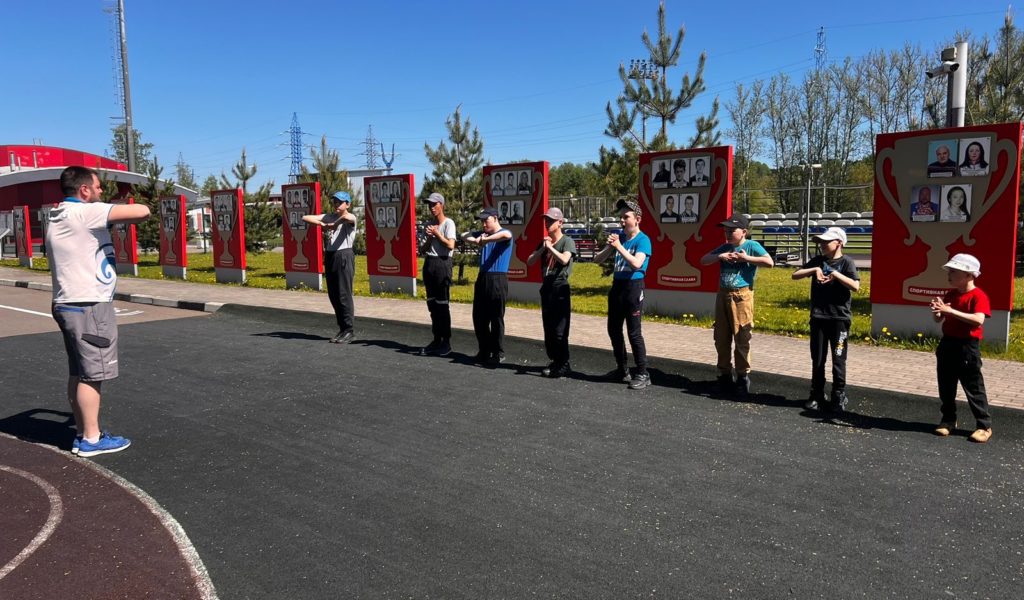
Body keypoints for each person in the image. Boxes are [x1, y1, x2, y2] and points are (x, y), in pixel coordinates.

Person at [47, 166, 151, 457]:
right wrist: (112, 206)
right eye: (98, 187)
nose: (101, 191)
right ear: (84, 190)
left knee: (79, 372)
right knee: (93, 375)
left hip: (68, 301)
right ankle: (92, 440)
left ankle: (83, 431)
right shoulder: (84, 213)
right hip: (88, 305)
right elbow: (142, 212)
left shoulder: (60, 214)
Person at [700, 213, 774, 396]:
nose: (728, 233)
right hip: (723, 295)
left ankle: (742, 377)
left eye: (732, 230)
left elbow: (769, 262)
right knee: (721, 338)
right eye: (726, 230)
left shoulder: (751, 246)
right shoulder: (724, 247)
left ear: (744, 232)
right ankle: (724, 375)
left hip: (742, 296)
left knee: (741, 337)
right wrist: (720, 256)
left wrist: (745, 259)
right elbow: (703, 260)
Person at [791, 227, 860, 413]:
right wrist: (814, 269)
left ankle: (839, 394)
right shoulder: (818, 261)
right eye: (820, 242)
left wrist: (835, 275)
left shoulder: (847, 263)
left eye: (826, 241)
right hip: (818, 318)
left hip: (839, 319)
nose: (822, 245)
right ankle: (817, 394)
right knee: (818, 359)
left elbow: (855, 286)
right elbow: (794, 275)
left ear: (839, 243)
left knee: (838, 358)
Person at [929, 253, 993, 443]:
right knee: (946, 385)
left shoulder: (978, 295)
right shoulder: (950, 294)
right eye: (949, 271)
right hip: (947, 343)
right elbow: (940, 319)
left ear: (969, 275)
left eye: (954, 272)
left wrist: (950, 311)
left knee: (973, 387)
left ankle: (983, 425)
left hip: (967, 347)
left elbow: (978, 319)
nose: (949, 275)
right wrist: (939, 312)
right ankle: (948, 419)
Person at [594, 199, 652, 390]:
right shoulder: (620, 238)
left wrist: (619, 247)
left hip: (633, 287)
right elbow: (597, 260)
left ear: (637, 219)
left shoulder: (643, 240)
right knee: (613, 329)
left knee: (634, 332)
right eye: (621, 217)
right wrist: (611, 247)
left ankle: (643, 373)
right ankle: (622, 369)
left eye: (626, 217)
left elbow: (636, 264)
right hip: (617, 286)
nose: (622, 221)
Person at [527, 207, 576, 378]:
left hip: (560, 286)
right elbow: (530, 261)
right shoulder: (544, 243)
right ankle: (555, 360)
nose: (547, 223)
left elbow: (564, 259)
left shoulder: (567, 241)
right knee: (548, 328)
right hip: (546, 287)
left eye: (551, 220)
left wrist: (551, 248)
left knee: (559, 329)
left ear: (560, 223)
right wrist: (543, 248)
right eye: (546, 220)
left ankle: (564, 363)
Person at [303, 191, 357, 343]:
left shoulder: (350, 217)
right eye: (334, 201)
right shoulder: (329, 216)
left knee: (343, 294)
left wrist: (335, 224)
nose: (336, 204)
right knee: (333, 295)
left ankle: (349, 330)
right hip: (331, 256)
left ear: (348, 204)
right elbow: (305, 217)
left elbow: (347, 217)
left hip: (344, 255)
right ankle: (342, 328)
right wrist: (322, 224)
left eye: (340, 202)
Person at [465, 207, 514, 364]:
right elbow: (463, 235)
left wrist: (487, 240)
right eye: (481, 220)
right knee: (479, 317)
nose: (483, 223)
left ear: (495, 218)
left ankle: (497, 352)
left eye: (486, 220)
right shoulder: (482, 234)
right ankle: (484, 351)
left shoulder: (504, 234)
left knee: (496, 317)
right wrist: (477, 239)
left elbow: (506, 234)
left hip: (497, 279)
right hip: (483, 278)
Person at [418, 193, 456, 356]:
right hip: (430, 263)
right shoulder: (428, 225)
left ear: (441, 205)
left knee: (442, 305)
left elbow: (450, 245)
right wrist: (428, 237)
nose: (432, 207)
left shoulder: (448, 223)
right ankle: (436, 338)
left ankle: (446, 342)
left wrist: (437, 234)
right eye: (429, 205)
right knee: (432, 305)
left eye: (434, 204)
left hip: (443, 263)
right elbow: (422, 250)